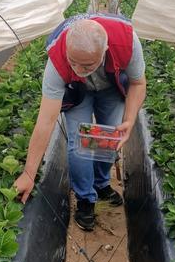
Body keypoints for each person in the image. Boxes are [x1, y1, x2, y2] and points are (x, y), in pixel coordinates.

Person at [14, 12, 146, 231]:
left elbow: (138, 83)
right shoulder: (57, 61)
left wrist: (129, 120)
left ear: (105, 50)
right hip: (77, 90)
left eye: (87, 65)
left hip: (111, 87)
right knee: (80, 144)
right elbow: (46, 120)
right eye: (73, 62)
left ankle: (101, 184)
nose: (78, 69)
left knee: (108, 137)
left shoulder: (127, 41)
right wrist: (29, 173)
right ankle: (85, 198)